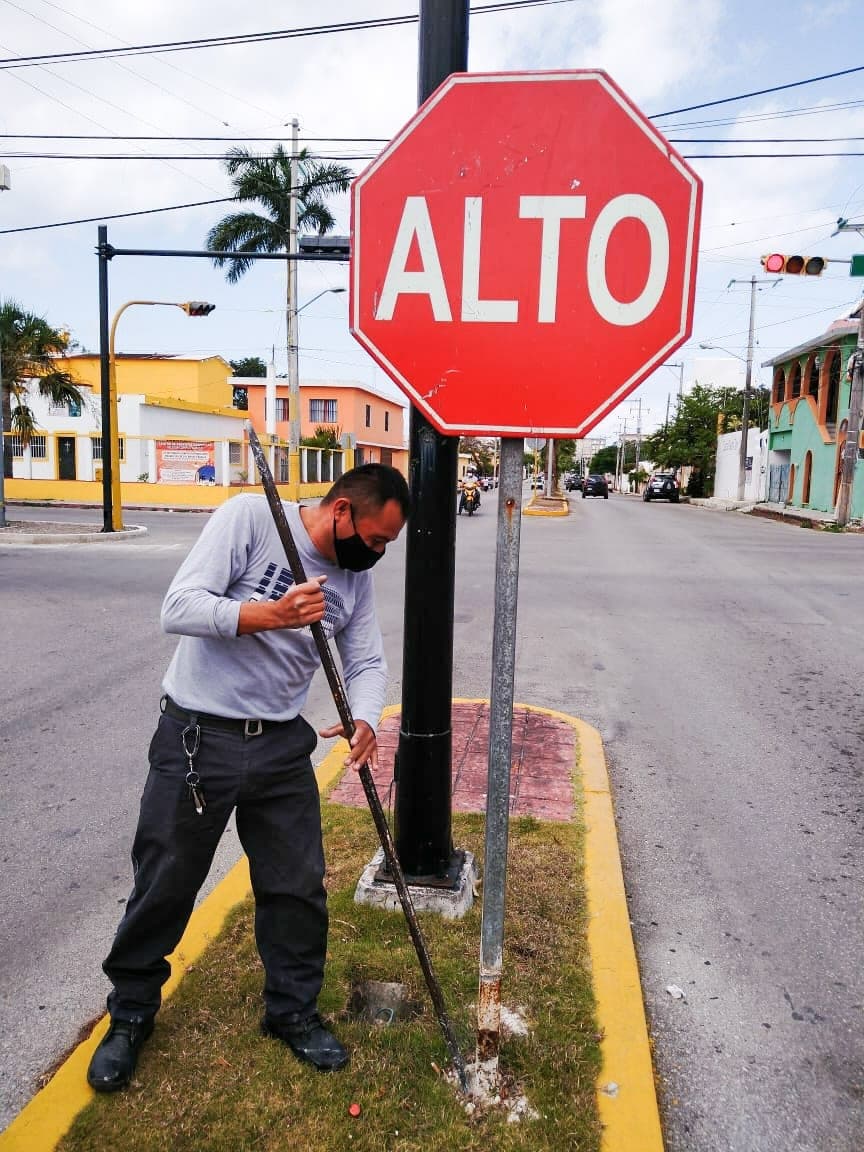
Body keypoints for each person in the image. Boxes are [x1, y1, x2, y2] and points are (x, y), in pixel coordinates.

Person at [87, 463, 410, 1093]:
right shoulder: (251, 519)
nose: (375, 555)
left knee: (297, 886)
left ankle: (291, 1011)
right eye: (374, 540)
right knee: (165, 880)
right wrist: (271, 614)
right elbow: (178, 608)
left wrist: (367, 717)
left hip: (281, 745)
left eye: (386, 547)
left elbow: (366, 659)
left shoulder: (353, 580)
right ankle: (129, 1014)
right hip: (196, 736)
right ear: (341, 510)